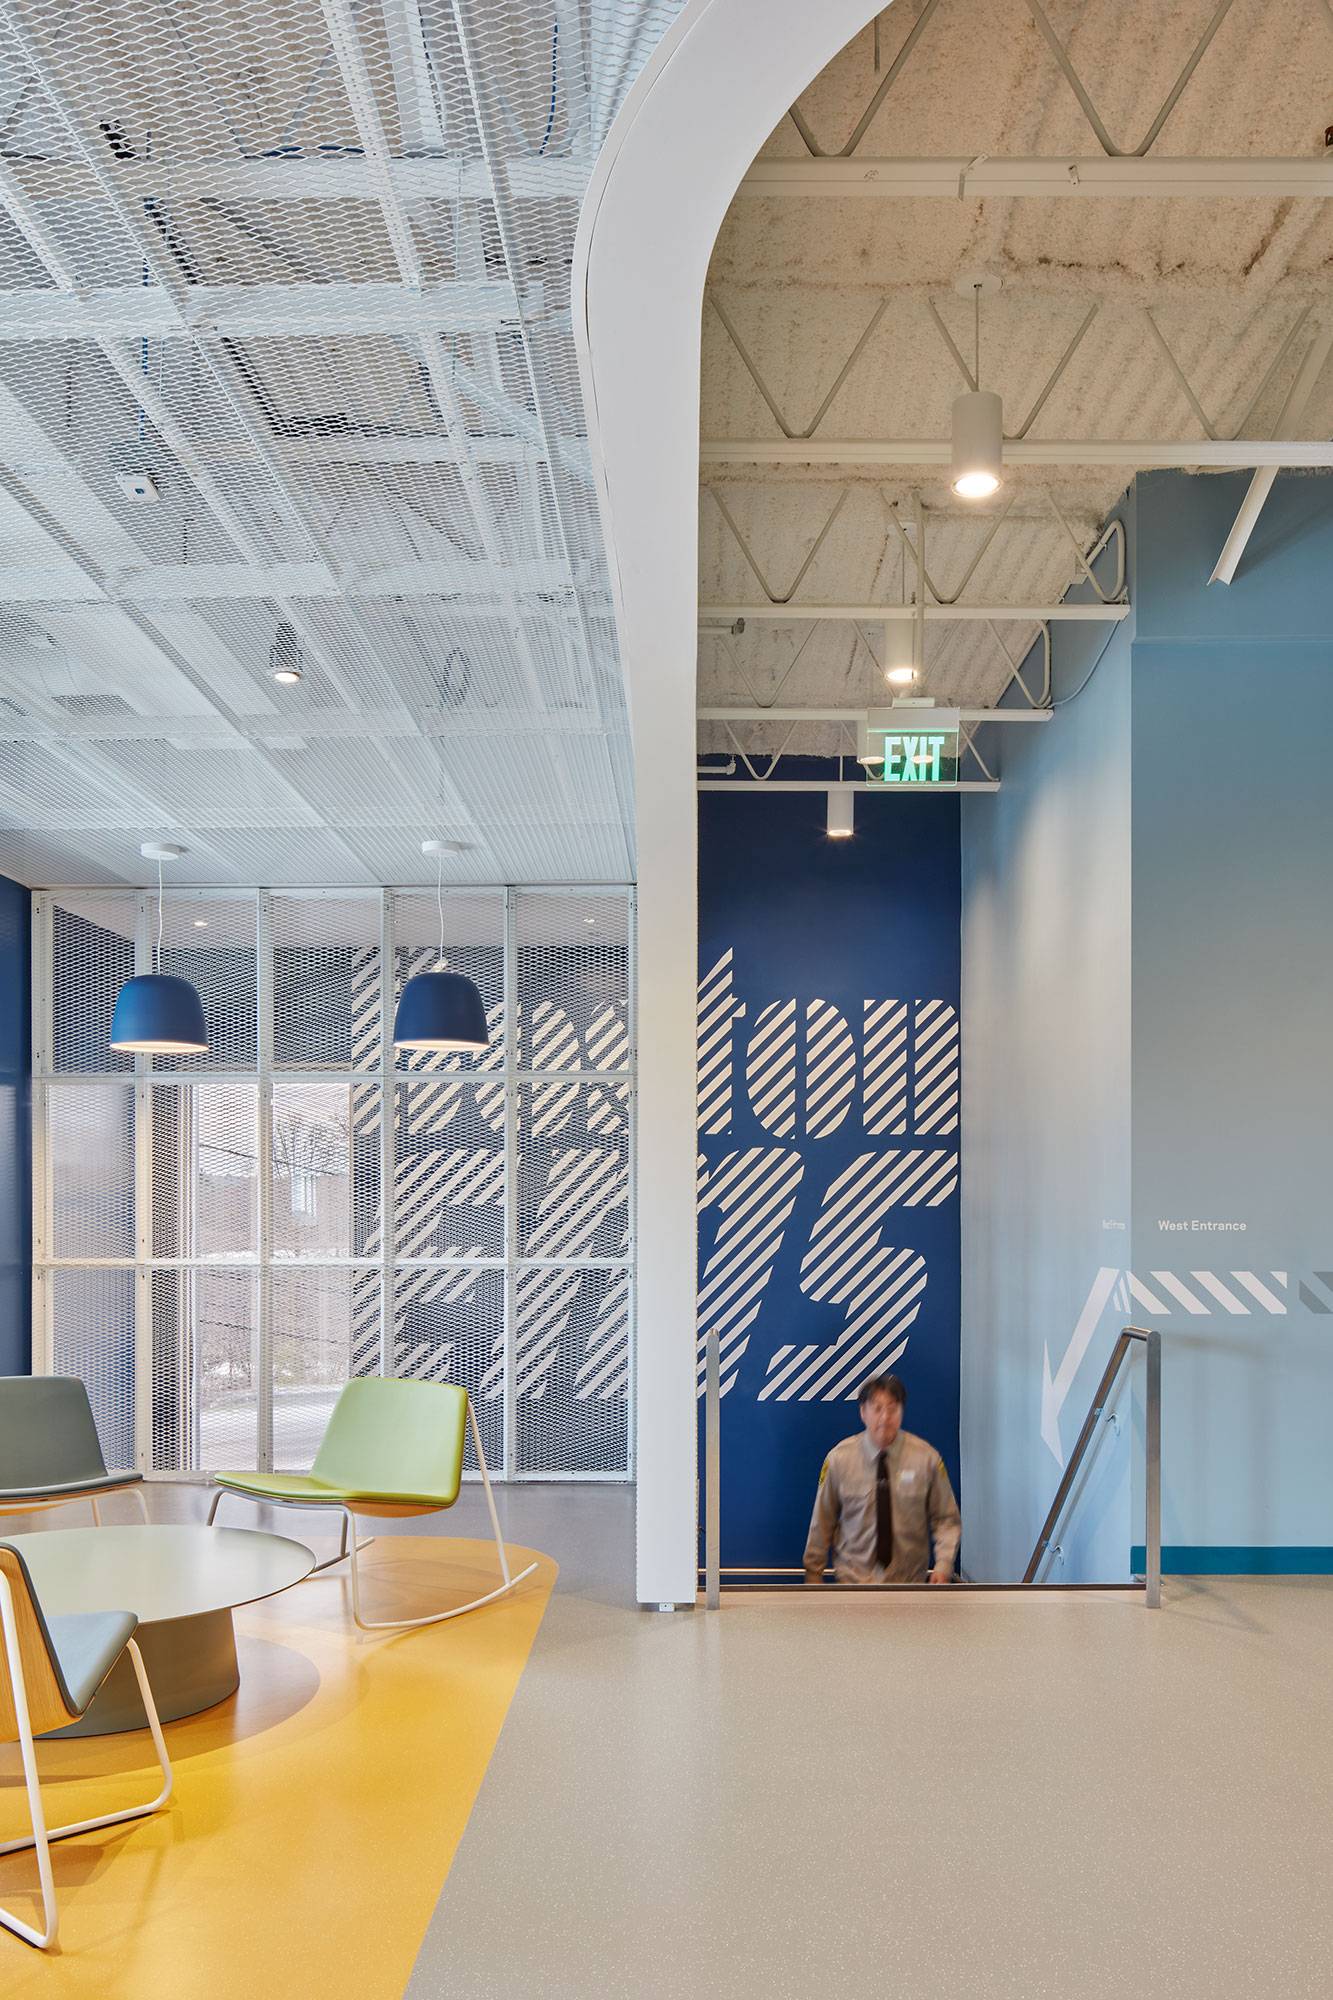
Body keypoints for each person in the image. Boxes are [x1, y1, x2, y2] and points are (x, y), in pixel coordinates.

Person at [803, 1373, 960, 1585]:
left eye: (892, 1409)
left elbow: (946, 1519)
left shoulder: (926, 1459)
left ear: (902, 1411)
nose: (885, 1418)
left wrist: (943, 1565)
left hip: (910, 1586)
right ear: (863, 1412)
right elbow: (823, 1520)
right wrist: (813, 1574)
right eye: (877, 1409)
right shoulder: (839, 1459)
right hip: (852, 1585)